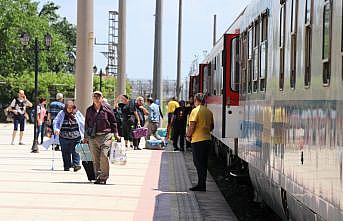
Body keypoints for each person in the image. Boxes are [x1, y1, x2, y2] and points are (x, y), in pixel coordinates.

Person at [84, 91, 120, 184]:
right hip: (93, 137)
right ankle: (98, 176)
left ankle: (104, 177)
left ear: (102, 98)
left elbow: (113, 121)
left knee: (104, 155)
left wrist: (116, 133)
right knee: (95, 158)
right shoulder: (89, 110)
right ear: (92, 98)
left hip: (106, 136)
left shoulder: (107, 108)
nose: (96, 98)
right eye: (94, 96)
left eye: (98, 96)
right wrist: (86, 137)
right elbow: (86, 124)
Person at [186, 93, 214, 192]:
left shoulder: (195, 111)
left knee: (198, 163)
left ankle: (201, 185)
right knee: (204, 163)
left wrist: (188, 136)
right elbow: (212, 127)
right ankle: (202, 184)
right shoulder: (209, 112)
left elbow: (192, 125)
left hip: (198, 140)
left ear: (196, 100)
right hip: (207, 140)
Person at [53, 100, 84, 172]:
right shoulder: (61, 113)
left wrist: (85, 133)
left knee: (76, 151)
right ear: (66, 107)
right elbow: (56, 122)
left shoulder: (77, 113)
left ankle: (76, 165)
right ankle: (67, 166)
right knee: (65, 152)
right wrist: (56, 129)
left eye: (71, 107)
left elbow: (83, 122)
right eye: (68, 107)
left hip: (76, 136)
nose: (70, 109)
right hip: (64, 137)